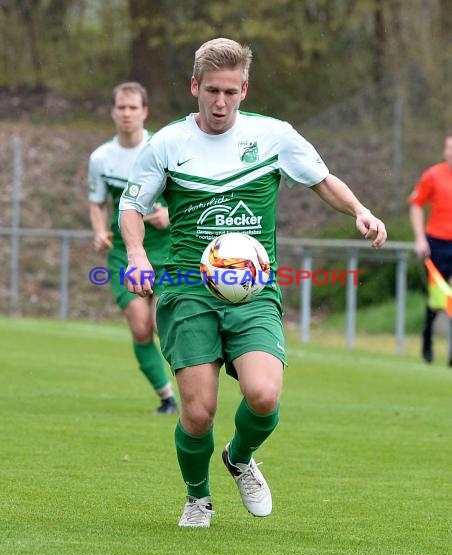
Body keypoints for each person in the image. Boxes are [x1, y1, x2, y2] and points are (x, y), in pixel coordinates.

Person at [119, 38, 387, 528]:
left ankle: (239, 457)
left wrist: (360, 211)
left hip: (254, 289)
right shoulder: (167, 143)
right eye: (212, 91)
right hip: (186, 287)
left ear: (245, 89)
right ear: (194, 86)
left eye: (231, 92)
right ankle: (198, 498)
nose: (221, 103)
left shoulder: (274, 136)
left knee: (264, 396)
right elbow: (132, 204)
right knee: (197, 414)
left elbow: (321, 178)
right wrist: (136, 254)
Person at [88, 81, 177, 414]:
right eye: (121, 108)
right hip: (125, 252)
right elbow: (97, 202)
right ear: (113, 112)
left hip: (168, 250)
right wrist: (99, 230)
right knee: (140, 326)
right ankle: (167, 397)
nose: (126, 114)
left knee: (161, 323)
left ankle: (195, 387)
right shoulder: (101, 158)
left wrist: (169, 213)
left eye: (133, 108)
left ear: (145, 112)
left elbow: (186, 195)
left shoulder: (162, 148)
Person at [409, 133, 452, 364]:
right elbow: (416, 205)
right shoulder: (433, 175)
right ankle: (427, 341)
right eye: (449, 148)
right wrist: (420, 238)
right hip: (436, 243)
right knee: (437, 300)